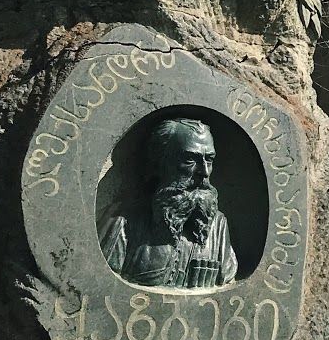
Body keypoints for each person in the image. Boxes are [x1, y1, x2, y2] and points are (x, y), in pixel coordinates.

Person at [100, 117, 237, 289]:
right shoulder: (121, 222)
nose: (205, 171)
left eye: (209, 159)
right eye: (189, 159)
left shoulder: (218, 226)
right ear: (160, 162)